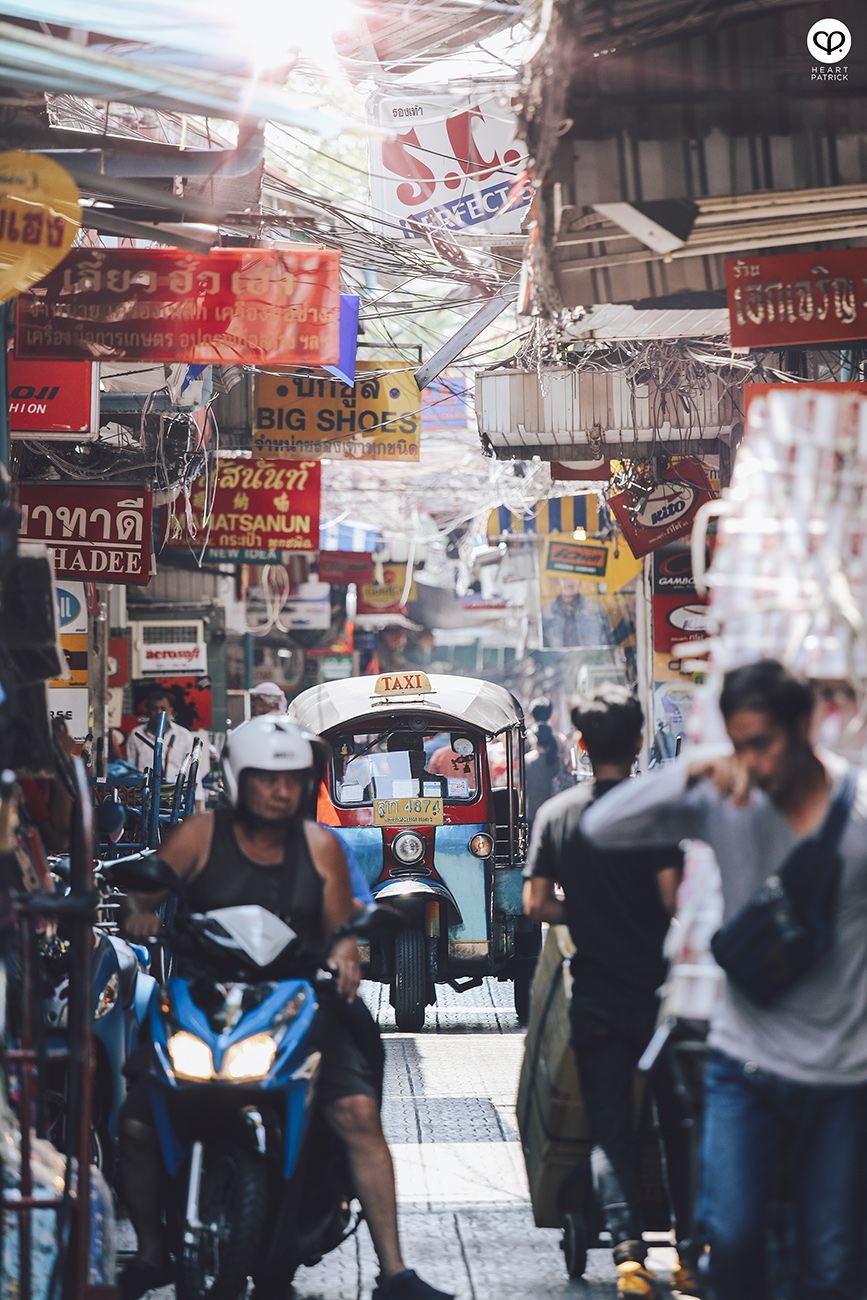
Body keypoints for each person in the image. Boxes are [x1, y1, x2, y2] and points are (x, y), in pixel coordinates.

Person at [118, 714, 452, 1300]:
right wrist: (141, 913)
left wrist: (347, 945)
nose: (280, 791)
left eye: (291, 779)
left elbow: (341, 918)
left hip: (295, 999)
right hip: (202, 999)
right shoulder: (198, 835)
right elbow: (142, 893)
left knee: (357, 1115)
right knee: (138, 1122)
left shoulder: (319, 845)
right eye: (267, 779)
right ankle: (150, 1253)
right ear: (238, 781)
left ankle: (394, 1270)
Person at [581, 661, 867, 1300]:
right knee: (730, 1242)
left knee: (832, 1265)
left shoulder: (857, 819)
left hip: (843, 1078)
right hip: (744, 1067)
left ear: (806, 726)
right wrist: (693, 768)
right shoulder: (725, 802)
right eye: (740, 746)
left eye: (762, 743)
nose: (754, 764)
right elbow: (601, 826)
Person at [523, 685, 693, 1299]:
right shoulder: (654, 810)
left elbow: (537, 903)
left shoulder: (557, 815)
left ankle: (627, 1260)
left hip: (594, 995)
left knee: (611, 1123)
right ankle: (692, 1255)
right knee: (677, 1121)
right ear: (641, 739)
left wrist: (586, 913)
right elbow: (674, 898)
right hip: (661, 994)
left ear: (582, 744)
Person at [125, 689, 195, 785]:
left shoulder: (184, 735)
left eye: (163, 708)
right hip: (144, 792)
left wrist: (197, 798)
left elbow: (192, 769)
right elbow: (130, 768)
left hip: (176, 793)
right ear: (147, 710)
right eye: (154, 708)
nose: (158, 712)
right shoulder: (136, 734)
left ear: (171, 710)